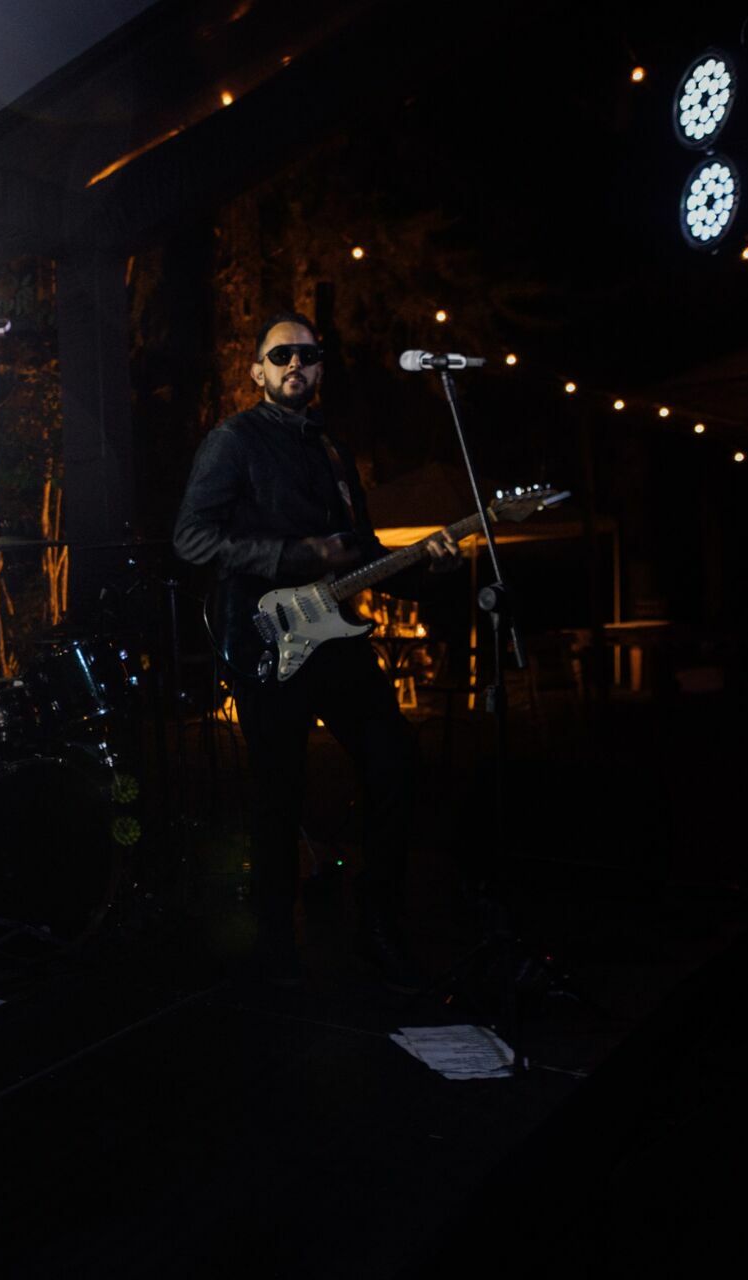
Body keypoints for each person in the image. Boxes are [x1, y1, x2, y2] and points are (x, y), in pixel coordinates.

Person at [173, 309, 456, 991]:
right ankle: (275, 947)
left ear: (321, 367)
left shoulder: (333, 450)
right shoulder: (233, 441)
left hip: (335, 634)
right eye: (280, 356)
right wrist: (294, 555)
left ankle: (378, 928)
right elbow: (191, 538)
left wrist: (427, 565)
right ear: (257, 371)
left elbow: (363, 551)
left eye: (306, 354)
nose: (294, 364)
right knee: (279, 791)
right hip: (266, 634)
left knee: (394, 761)